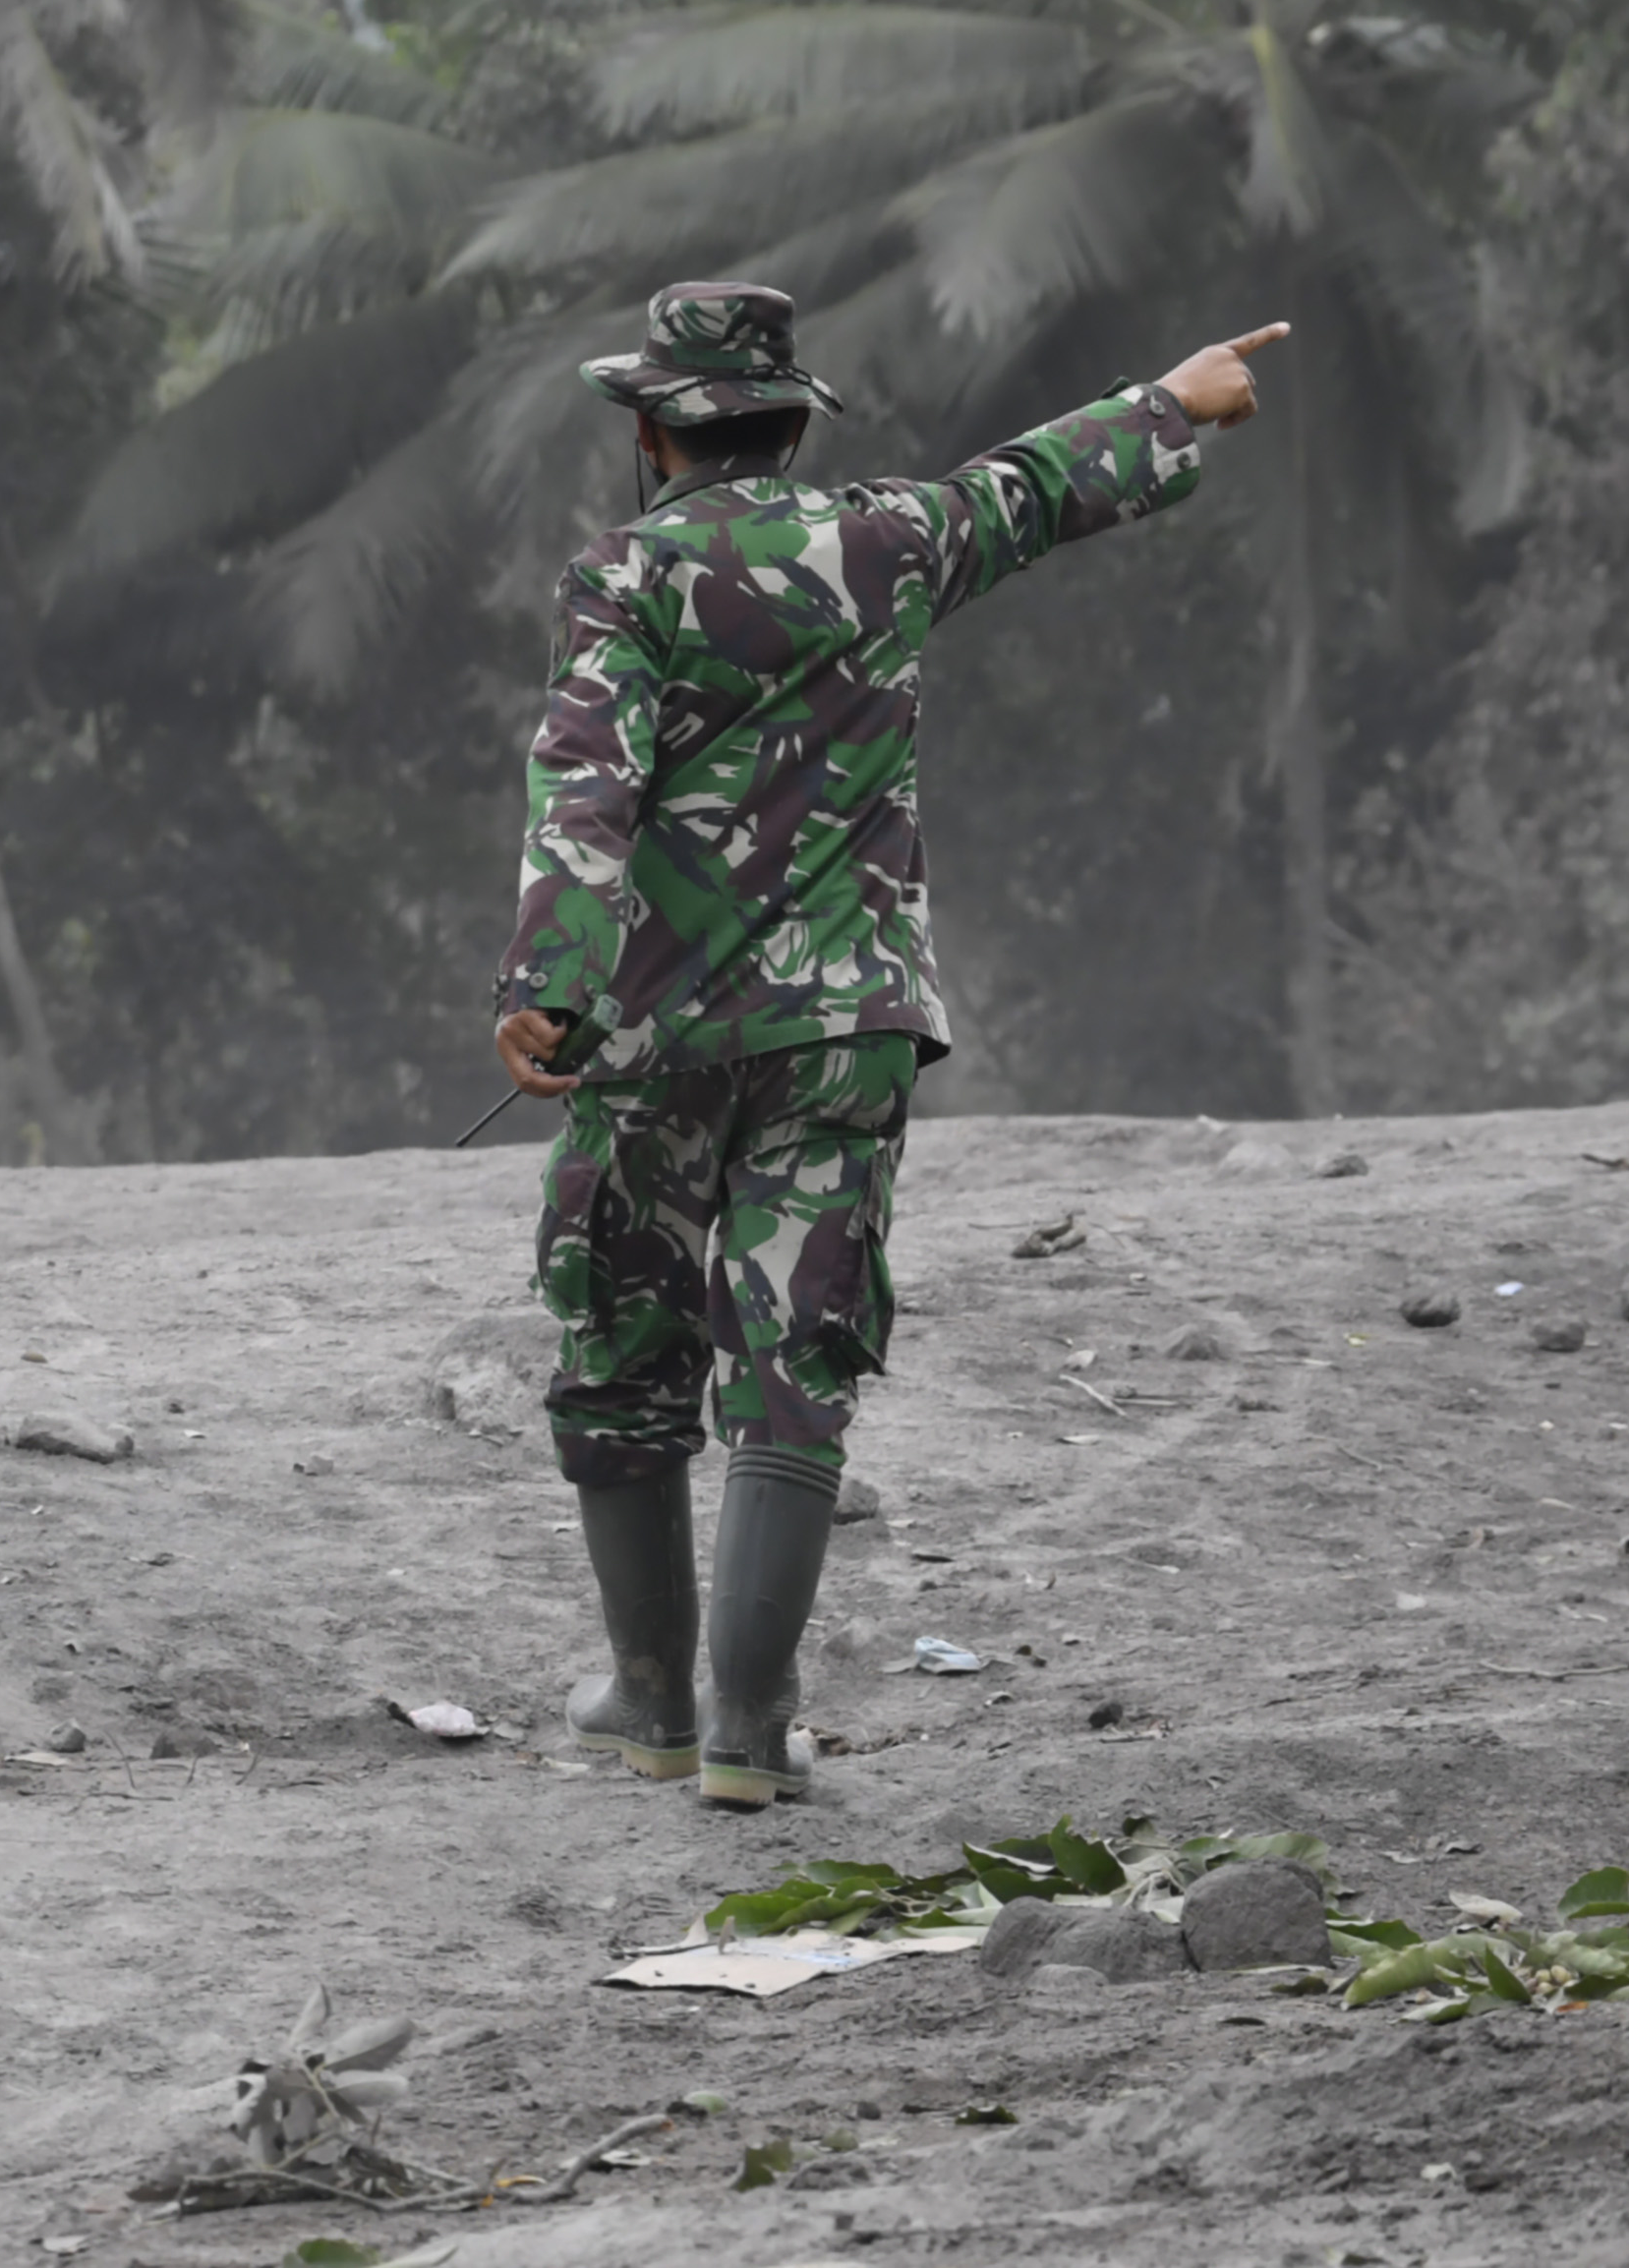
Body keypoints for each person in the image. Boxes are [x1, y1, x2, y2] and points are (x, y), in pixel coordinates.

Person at [492, 281, 1285, 1809]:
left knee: (622, 1336)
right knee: (798, 1358)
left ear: (657, 434)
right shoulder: (889, 541)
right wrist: (1176, 401)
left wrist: (550, 988)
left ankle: (651, 1696)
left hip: (654, 1033)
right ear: (792, 423)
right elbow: (1037, 487)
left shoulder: (622, 576)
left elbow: (582, 783)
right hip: (846, 1026)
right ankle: (751, 1728)